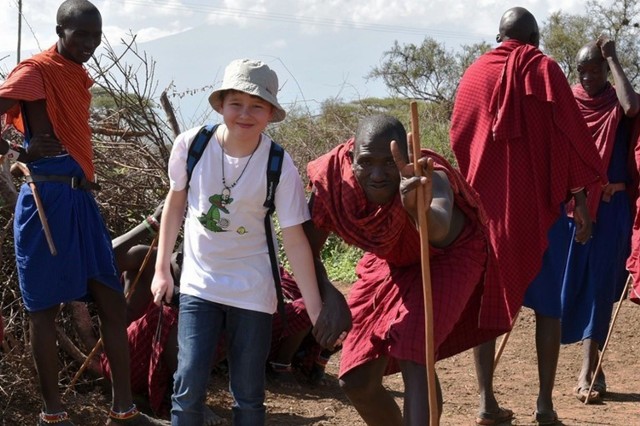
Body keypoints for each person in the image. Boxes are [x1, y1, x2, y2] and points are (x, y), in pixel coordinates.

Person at [0, 1, 168, 425]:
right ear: (60, 29)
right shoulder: (34, 70)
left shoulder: (74, 75)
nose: (90, 45)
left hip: (80, 203)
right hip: (44, 202)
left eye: (96, 37)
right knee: (43, 309)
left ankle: (123, 411)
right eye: (82, 35)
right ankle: (52, 415)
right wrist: (17, 150)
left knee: (111, 300)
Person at [450, 7, 606, 425]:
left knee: (486, 307)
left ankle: (485, 403)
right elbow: (571, 141)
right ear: (535, 39)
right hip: (542, 215)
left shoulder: (473, 75)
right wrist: (583, 204)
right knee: (549, 309)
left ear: (498, 36)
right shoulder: (545, 71)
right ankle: (544, 404)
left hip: (487, 217)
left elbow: (459, 139)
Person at [303, 113, 511, 425]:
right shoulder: (333, 181)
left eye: (389, 163)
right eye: (366, 162)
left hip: (447, 257)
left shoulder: (429, 176)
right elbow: (306, 248)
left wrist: (419, 209)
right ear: (351, 156)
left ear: (409, 156)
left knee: (414, 351)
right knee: (356, 379)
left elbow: (438, 228)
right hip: (391, 261)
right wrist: (329, 294)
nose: (377, 174)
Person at [151, 58, 324, 425]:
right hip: (200, 283)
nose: (245, 114)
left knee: (248, 394)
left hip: (253, 288)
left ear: (270, 112)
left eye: (257, 106)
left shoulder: (278, 164)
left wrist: (314, 307)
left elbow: (294, 238)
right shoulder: (192, 145)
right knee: (188, 387)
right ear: (221, 105)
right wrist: (161, 269)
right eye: (236, 104)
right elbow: (176, 202)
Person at [560, 36, 640, 403]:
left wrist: (614, 57)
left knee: (602, 286)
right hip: (578, 208)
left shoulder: (617, 101)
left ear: (607, 70)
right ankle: (593, 367)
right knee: (579, 284)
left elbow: (632, 105)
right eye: (583, 71)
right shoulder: (571, 103)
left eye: (596, 70)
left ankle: (585, 370)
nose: (589, 77)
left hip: (613, 206)